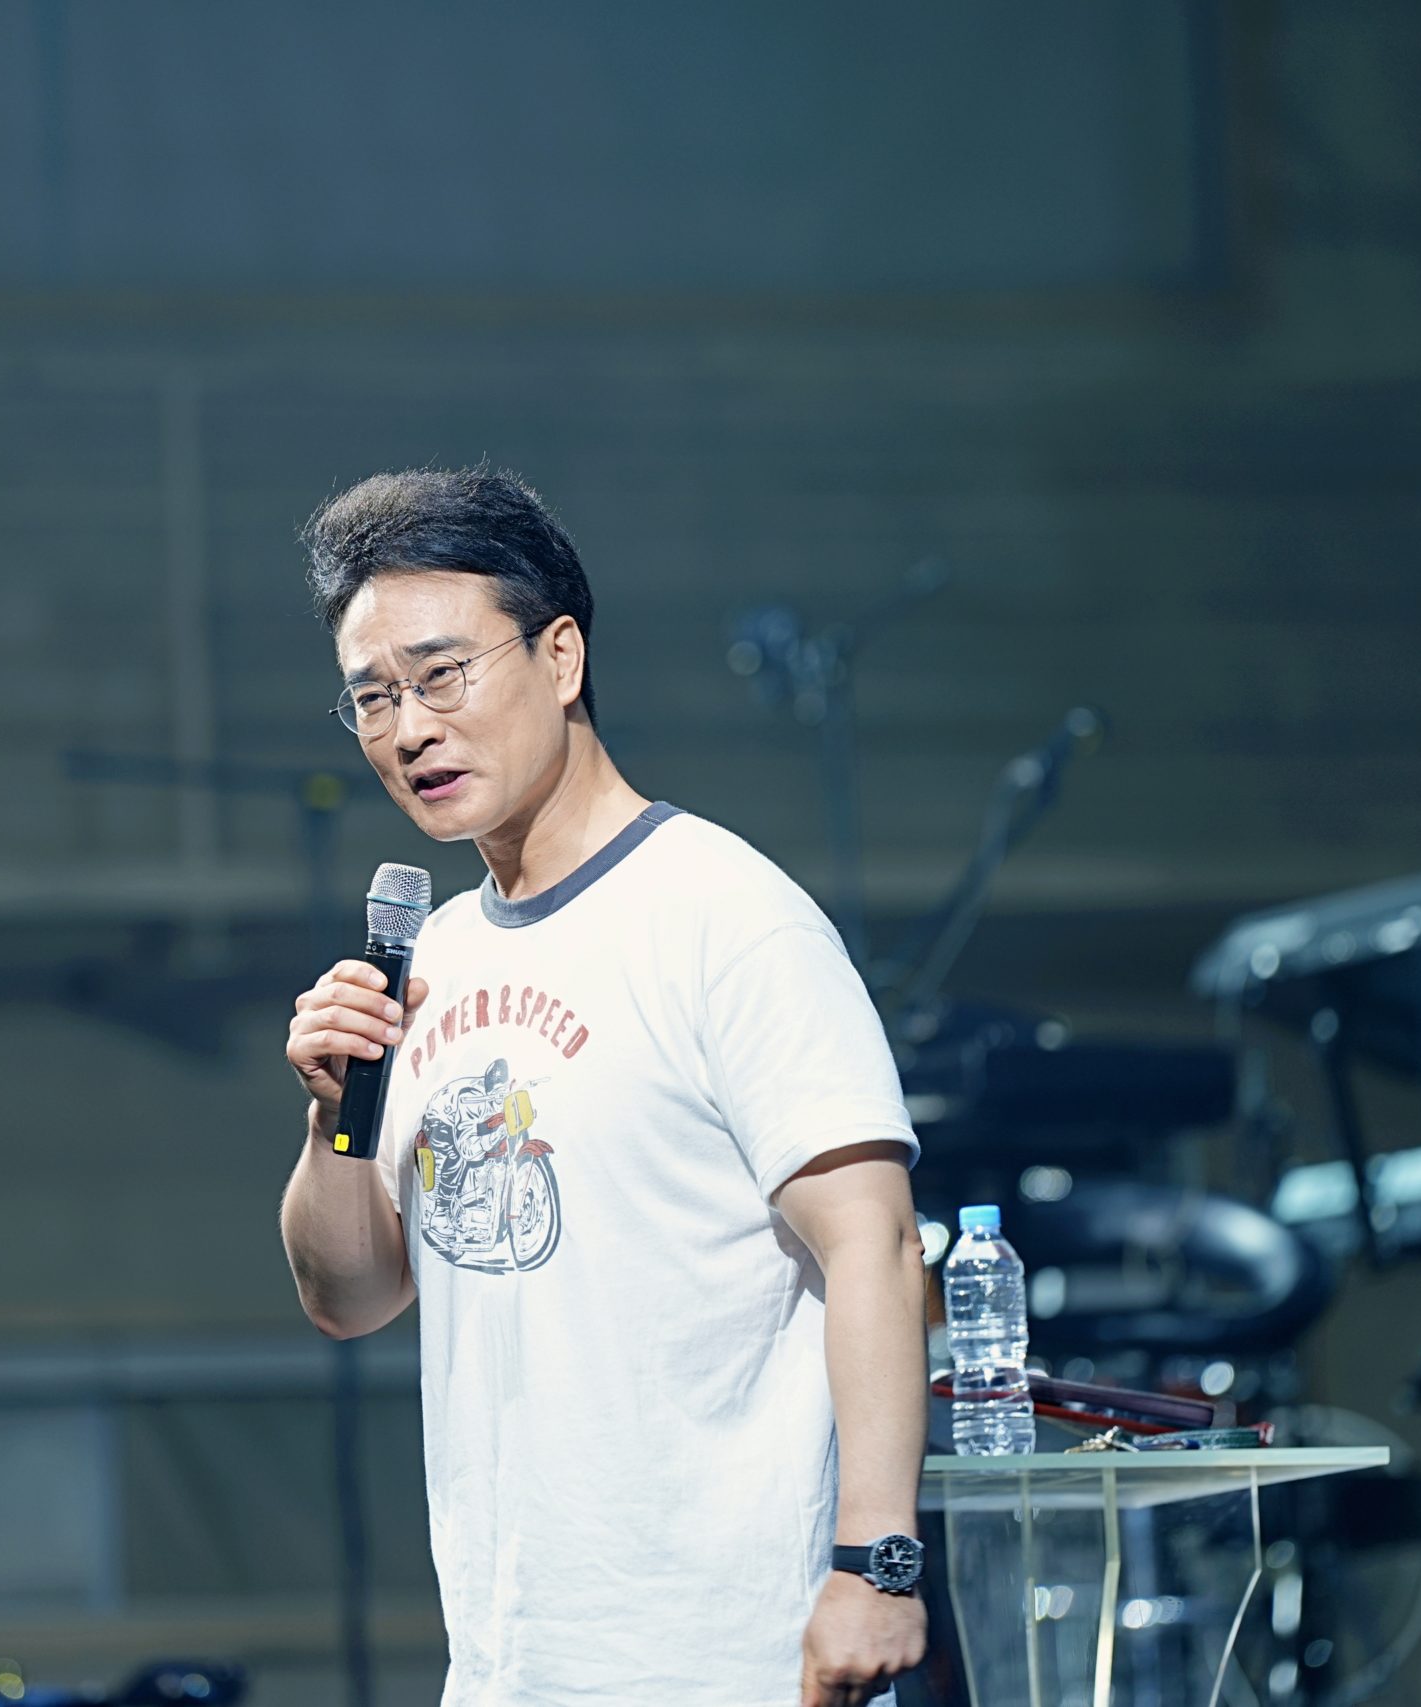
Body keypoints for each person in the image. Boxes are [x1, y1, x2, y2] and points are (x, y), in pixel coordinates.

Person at [278, 466, 929, 1707]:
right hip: (510, 1664)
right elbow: (348, 1298)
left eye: (440, 675)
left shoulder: (724, 917)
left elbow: (875, 1244)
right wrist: (331, 1121)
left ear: (561, 656)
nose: (408, 730)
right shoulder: (433, 958)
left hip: (730, 1659)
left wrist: (875, 1566)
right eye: (372, 698)